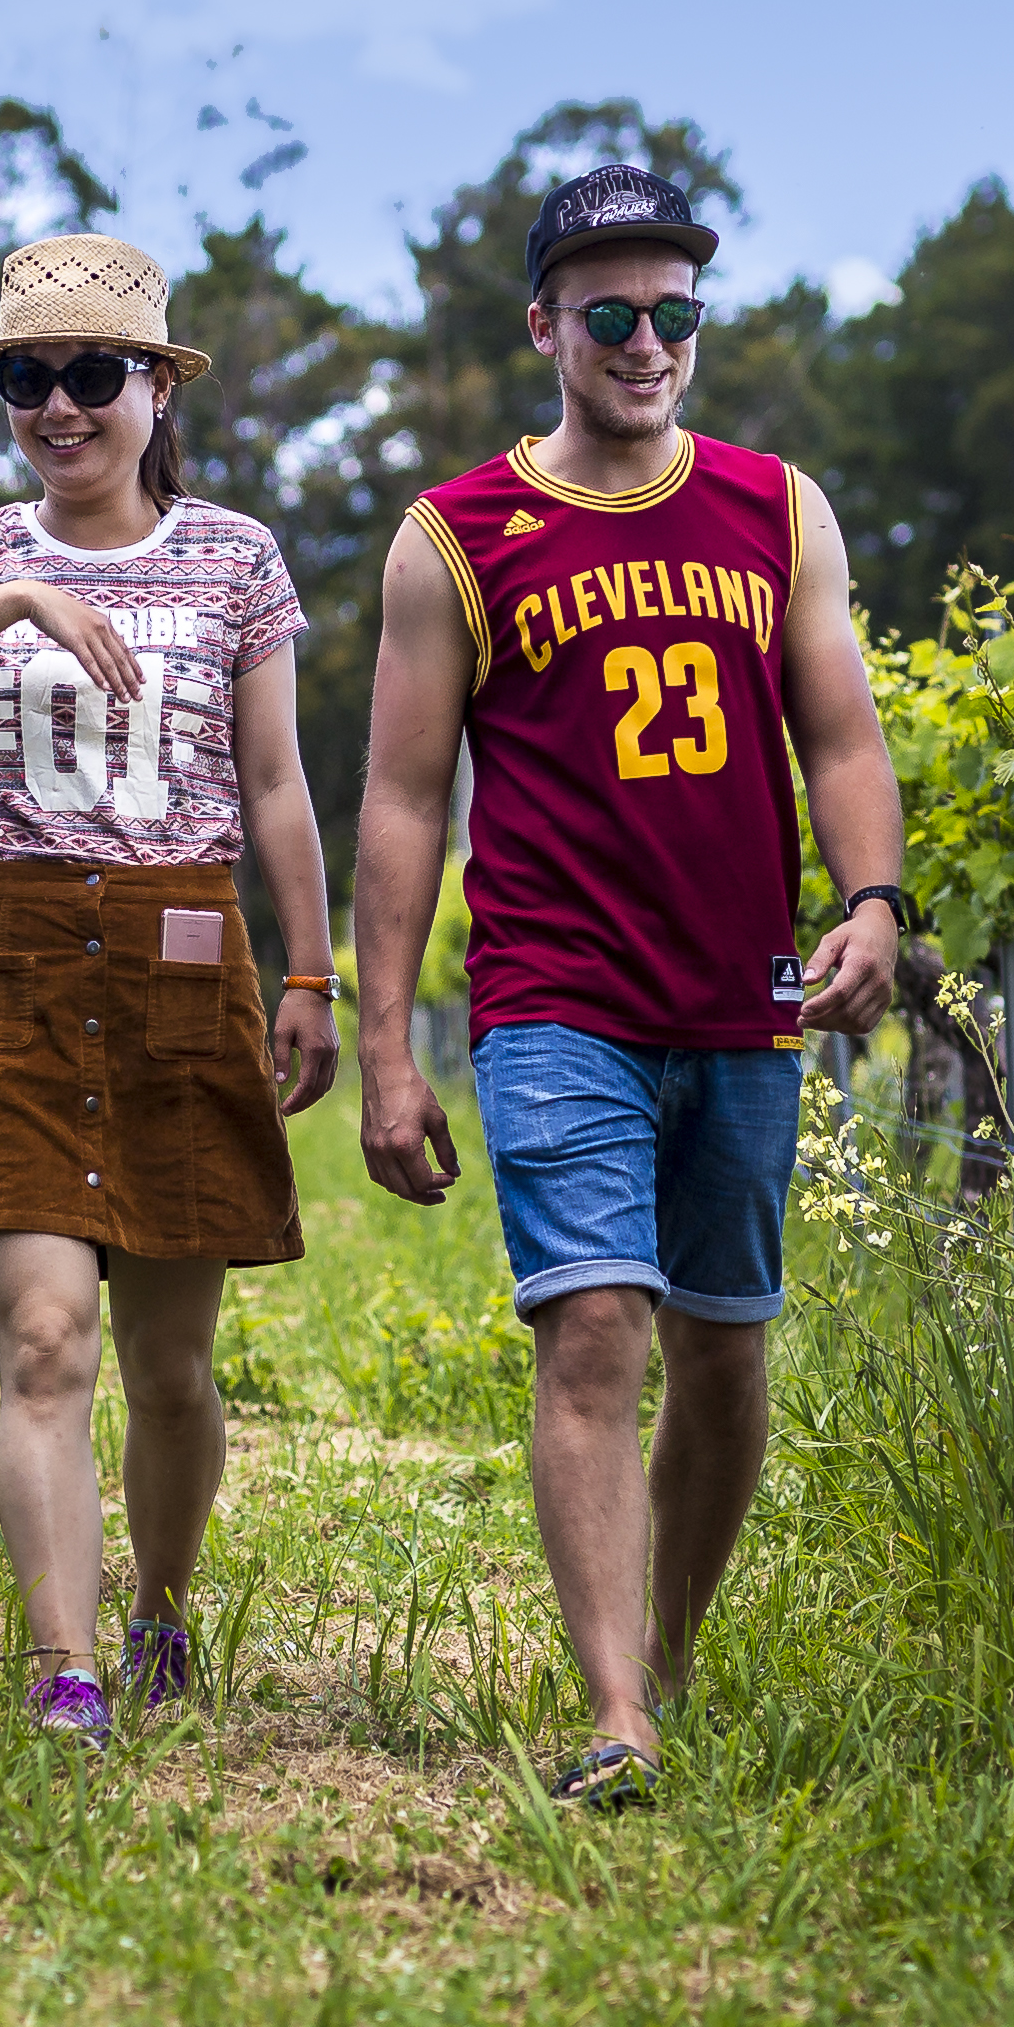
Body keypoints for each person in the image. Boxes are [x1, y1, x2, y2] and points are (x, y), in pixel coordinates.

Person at [348, 160, 912, 1808]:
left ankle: (663, 1654)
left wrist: (872, 899)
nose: (648, 340)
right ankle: (618, 1715)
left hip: (745, 999)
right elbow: (399, 801)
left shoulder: (775, 506)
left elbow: (844, 734)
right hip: (555, 996)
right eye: (612, 312)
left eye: (676, 311)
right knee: (597, 1329)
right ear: (547, 327)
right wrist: (391, 1050)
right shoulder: (456, 537)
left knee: (726, 1352)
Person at [0, 235, 342, 1741]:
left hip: (184, 960)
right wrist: (12, 609)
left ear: (153, 388)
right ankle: (67, 1668)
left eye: (91, 377)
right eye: (29, 380)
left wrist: (308, 970)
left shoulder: (235, 556)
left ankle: (163, 1615)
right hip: (17, 963)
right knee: (43, 1340)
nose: (60, 409)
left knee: (172, 1367)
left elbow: (275, 779)